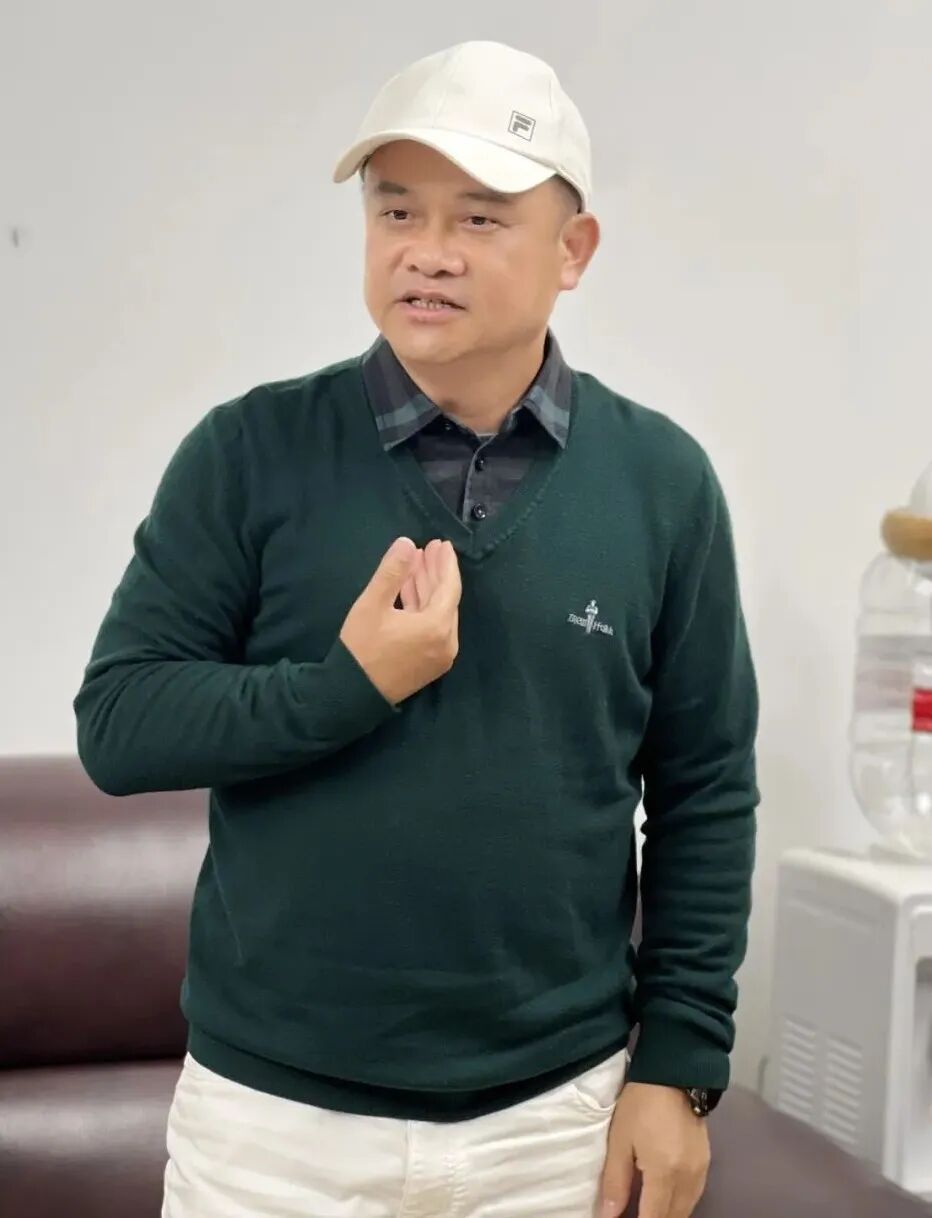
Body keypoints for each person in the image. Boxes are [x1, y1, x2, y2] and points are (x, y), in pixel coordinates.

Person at [73, 38, 760, 1218]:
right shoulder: (249, 452)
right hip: (273, 1131)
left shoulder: (660, 483)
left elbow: (704, 787)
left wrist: (679, 1065)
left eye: (480, 218)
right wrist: (345, 685)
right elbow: (121, 725)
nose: (425, 251)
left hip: (553, 1123)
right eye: (395, 210)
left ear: (572, 250)